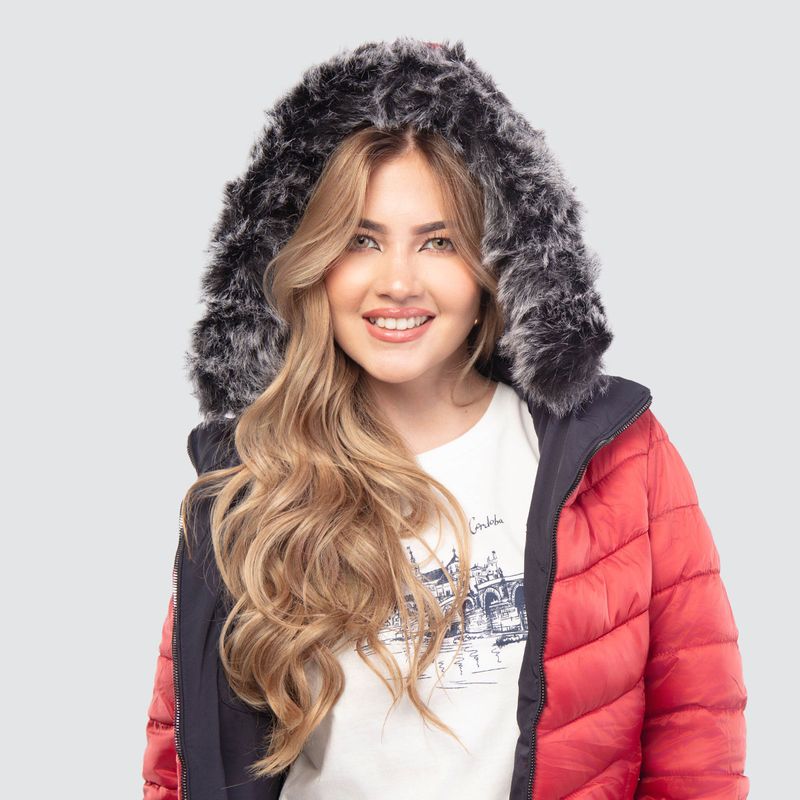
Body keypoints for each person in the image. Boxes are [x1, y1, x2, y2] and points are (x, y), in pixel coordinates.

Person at [141, 38, 749, 800]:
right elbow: (180, 763)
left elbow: (696, 738)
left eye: (439, 242)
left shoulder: (614, 454)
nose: (398, 282)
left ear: (496, 264)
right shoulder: (247, 481)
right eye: (361, 240)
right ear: (313, 263)